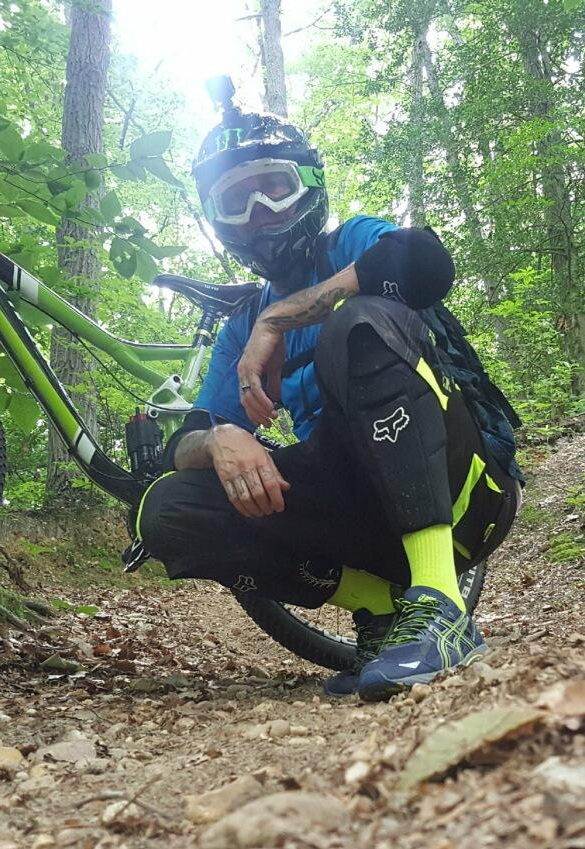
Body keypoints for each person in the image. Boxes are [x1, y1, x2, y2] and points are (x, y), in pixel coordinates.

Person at [136, 85, 524, 702]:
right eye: (236, 202)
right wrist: (222, 436)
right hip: (362, 509)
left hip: (466, 490)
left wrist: (278, 320)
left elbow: (423, 258)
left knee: (360, 319)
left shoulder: (351, 243)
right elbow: (185, 442)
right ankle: (384, 611)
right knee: (169, 508)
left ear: (310, 187)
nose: (260, 212)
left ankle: (442, 602)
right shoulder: (237, 329)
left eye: (274, 187)